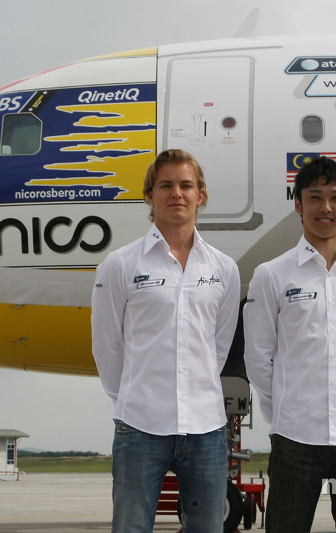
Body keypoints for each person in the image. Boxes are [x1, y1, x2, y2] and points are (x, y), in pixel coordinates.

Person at [91, 148, 241, 533]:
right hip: (140, 426)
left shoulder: (224, 268)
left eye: (186, 185)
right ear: (150, 195)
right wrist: (129, 396)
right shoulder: (121, 264)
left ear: (200, 195)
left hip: (206, 428)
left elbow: (218, 344)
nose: (177, 193)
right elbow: (106, 344)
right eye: (166, 185)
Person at [244, 156, 336, 533]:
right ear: (298, 204)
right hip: (296, 436)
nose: (326, 207)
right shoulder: (271, 275)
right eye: (315, 197)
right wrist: (284, 414)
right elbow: (258, 357)